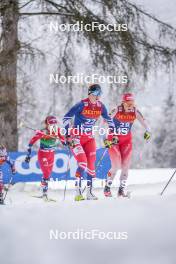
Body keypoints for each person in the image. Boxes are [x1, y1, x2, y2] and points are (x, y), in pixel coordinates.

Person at [63, 84, 115, 201]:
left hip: (89, 138)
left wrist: (112, 136)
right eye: (96, 93)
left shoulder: (101, 106)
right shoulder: (82, 104)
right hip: (76, 137)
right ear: (90, 93)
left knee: (91, 167)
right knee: (82, 163)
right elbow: (66, 118)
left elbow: (108, 120)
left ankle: (89, 193)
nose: (98, 97)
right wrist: (67, 136)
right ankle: (77, 192)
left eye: (100, 94)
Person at [103, 93, 151, 198]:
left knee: (125, 166)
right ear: (123, 103)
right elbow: (105, 123)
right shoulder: (117, 110)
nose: (130, 106)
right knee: (115, 166)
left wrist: (148, 131)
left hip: (126, 141)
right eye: (128, 103)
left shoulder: (135, 111)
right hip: (113, 140)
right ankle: (107, 187)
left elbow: (146, 124)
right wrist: (105, 138)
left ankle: (121, 190)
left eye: (132, 103)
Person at [25, 116, 65, 199]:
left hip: (51, 155)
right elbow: (31, 143)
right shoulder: (42, 132)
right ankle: (45, 194)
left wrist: (68, 144)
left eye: (55, 124)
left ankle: (43, 192)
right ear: (47, 124)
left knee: (47, 174)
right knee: (46, 173)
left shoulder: (56, 131)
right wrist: (28, 155)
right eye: (51, 124)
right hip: (43, 155)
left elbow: (63, 140)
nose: (53, 126)